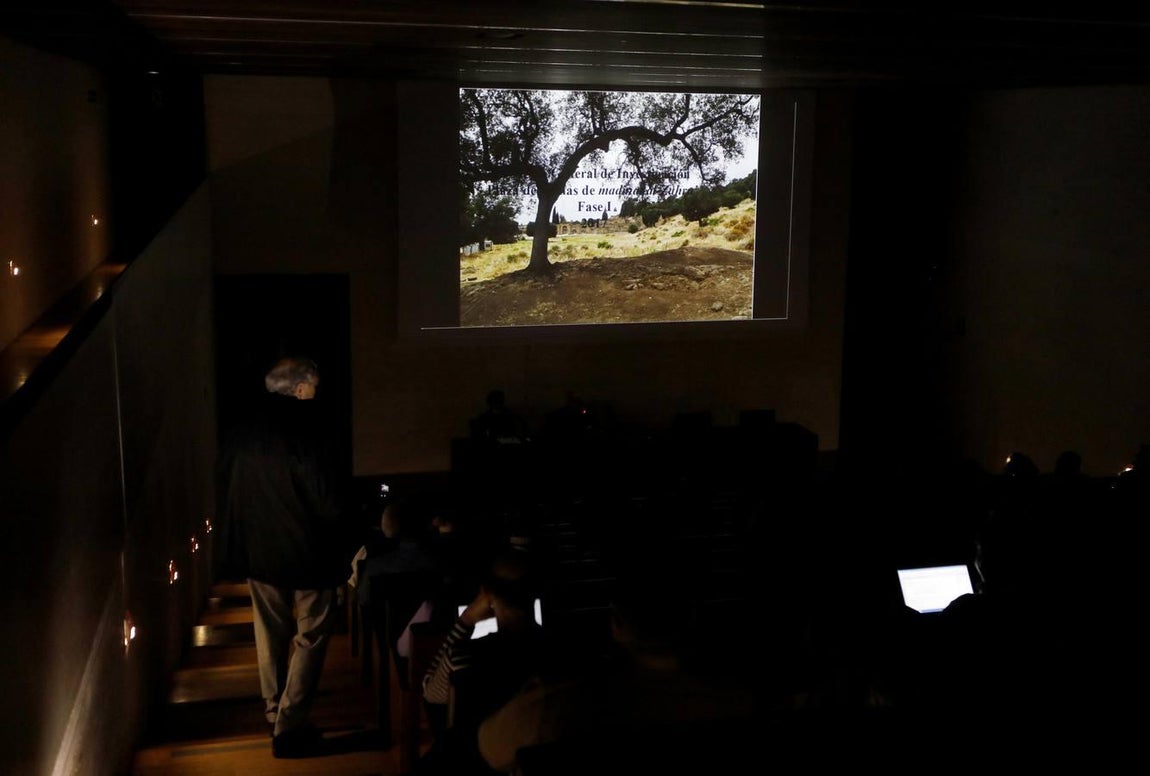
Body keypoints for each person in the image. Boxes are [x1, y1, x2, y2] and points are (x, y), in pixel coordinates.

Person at [217, 356, 348, 758]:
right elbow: (326, 500)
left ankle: (274, 710)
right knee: (311, 637)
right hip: (309, 553)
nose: (316, 392)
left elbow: (230, 492)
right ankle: (290, 723)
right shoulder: (309, 429)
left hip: (259, 553)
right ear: (301, 388)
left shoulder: (242, 431)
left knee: (268, 634)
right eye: (314, 386)